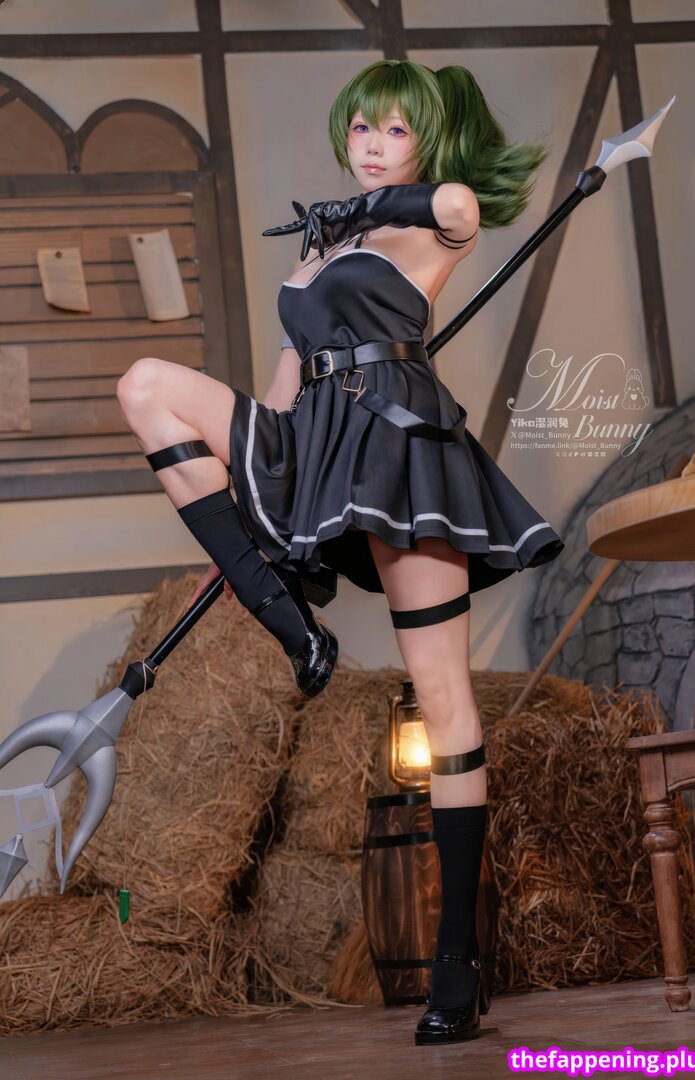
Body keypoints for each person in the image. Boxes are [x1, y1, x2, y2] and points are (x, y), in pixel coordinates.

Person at [116, 59, 564, 1045]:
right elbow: (282, 390)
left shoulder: (434, 223)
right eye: (362, 127)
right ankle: (295, 629)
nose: (372, 143)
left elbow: (454, 200)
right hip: (315, 446)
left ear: (424, 143)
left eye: (395, 129)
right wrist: (247, 518)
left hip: (403, 454)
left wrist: (353, 209)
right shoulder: (321, 247)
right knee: (145, 384)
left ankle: (457, 963)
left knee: (443, 699)